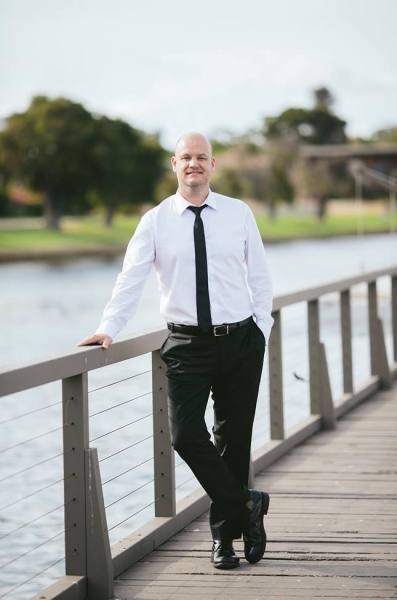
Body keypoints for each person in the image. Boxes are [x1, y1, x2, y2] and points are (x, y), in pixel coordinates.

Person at [78, 132, 274, 569]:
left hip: (241, 340)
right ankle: (248, 503)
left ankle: (224, 540)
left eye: (201, 157)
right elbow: (130, 279)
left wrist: (262, 328)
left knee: (233, 442)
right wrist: (108, 327)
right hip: (186, 344)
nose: (194, 164)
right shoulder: (155, 221)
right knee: (186, 435)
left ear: (213, 164)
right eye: (186, 157)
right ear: (174, 164)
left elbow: (260, 275)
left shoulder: (238, 213)